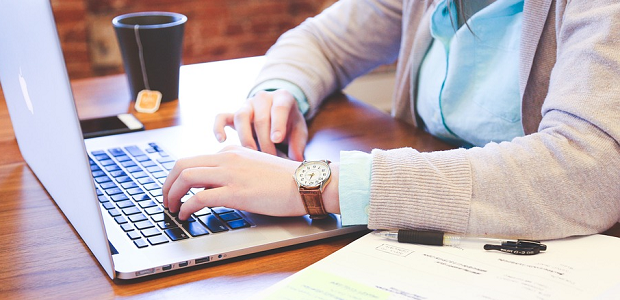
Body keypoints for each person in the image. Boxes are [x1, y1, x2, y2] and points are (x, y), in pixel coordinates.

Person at [163, 0, 620, 240]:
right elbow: (322, 40)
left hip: (556, 248)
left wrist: (314, 185)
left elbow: (588, 170)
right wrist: (279, 92)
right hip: (432, 235)